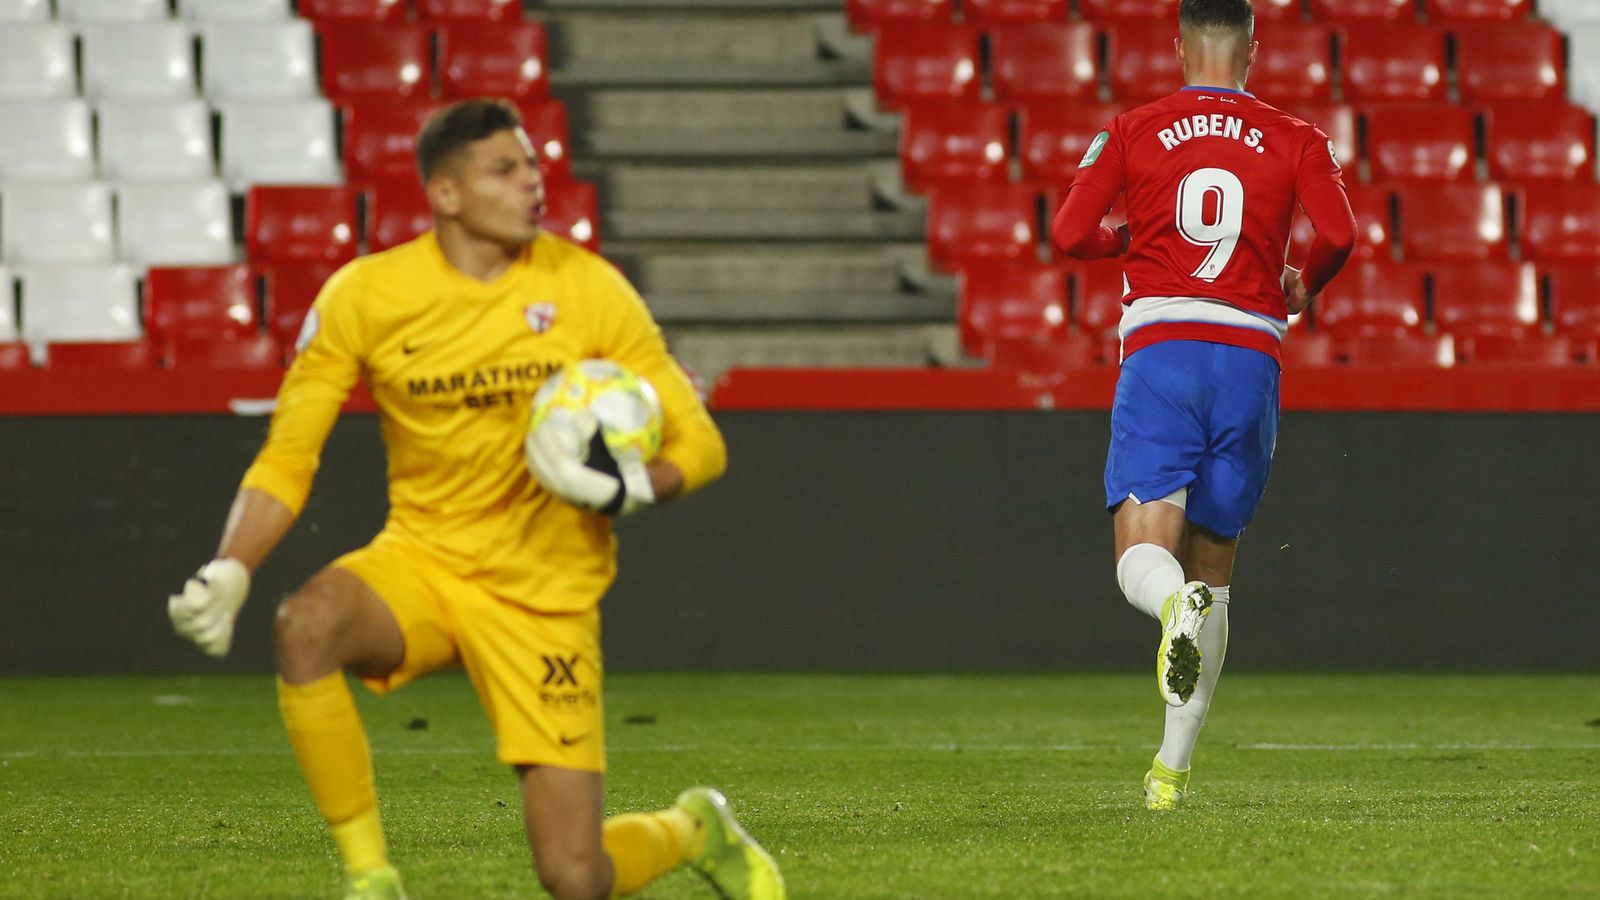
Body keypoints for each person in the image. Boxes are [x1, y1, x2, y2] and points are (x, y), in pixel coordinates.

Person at [166, 98, 785, 900]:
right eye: (505, 168)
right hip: (425, 562)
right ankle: (370, 878)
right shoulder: (367, 295)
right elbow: (290, 453)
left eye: (533, 166)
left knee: (574, 877)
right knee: (306, 624)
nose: (533, 183)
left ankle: (693, 828)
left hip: (544, 593)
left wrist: (633, 485)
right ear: (445, 193)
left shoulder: (589, 288)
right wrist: (233, 566)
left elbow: (700, 442)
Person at [1050, 0, 1355, 810]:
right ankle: (1169, 773)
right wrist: (1305, 284)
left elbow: (1070, 231)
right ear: (1251, 49)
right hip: (1251, 359)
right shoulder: (1298, 138)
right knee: (1214, 567)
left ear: (1178, 44)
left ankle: (1167, 606)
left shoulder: (1132, 128)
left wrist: (1127, 240)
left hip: (1165, 350)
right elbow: (1341, 232)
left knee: (1141, 557)